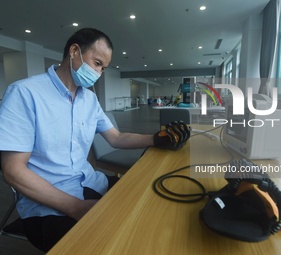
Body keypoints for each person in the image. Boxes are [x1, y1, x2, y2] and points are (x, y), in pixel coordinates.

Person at [0, 28, 190, 252]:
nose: (99, 73)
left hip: (91, 183)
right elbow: (12, 170)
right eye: (97, 63)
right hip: (49, 206)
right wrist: (76, 207)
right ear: (74, 51)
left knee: (149, 202)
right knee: (116, 244)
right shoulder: (25, 93)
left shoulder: (89, 99)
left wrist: (157, 139)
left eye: (103, 68)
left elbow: (117, 138)